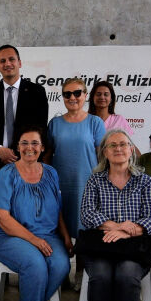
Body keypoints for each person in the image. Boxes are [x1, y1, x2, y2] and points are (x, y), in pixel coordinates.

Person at [0, 127, 73, 301]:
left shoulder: (51, 173)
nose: (29, 148)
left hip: (47, 234)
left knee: (61, 265)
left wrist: (65, 236)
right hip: (7, 235)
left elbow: (58, 210)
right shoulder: (6, 173)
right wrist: (34, 241)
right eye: (24, 143)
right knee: (35, 265)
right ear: (17, 147)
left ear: (42, 148)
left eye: (35, 143)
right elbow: (1, 217)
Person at [78, 129, 151, 301]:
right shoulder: (95, 179)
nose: (118, 149)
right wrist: (114, 226)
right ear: (105, 152)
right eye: (112, 145)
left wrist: (124, 232)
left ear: (131, 149)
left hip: (133, 249)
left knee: (127, 276)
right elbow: (86, 213)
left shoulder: (145, 181)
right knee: (100, 276)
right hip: (102, 245)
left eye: (123, 144)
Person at [0, 44, 49, 178]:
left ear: (19, 63)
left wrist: (21, 150)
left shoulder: (37, 92)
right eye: (2, 61)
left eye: (11, 59)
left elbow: (40, 127)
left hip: (27, 161)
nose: (7, 64)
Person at [46, 77, 105, 236]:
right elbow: (47, 156)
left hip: (87, 185)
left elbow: (102, 157)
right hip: (60, 185)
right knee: (61, 231)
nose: (72, 97)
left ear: (85, 95)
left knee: (85, 234)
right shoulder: (54, 123)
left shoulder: (95, 122)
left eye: (77, 93)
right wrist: (47, 181)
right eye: (67, 94)